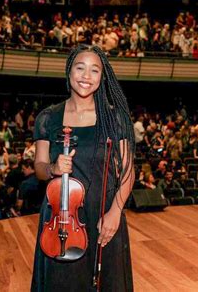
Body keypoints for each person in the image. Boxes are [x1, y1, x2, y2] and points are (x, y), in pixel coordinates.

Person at [31, 44, 135, 291]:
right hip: (62, 217)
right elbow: (39, 166)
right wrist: (53, 168)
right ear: (69, 72)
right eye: (80, 68)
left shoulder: (114, 117)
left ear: (102, 76)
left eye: (94, 70)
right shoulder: (48, 118)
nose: (86, 76)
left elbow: (128, 171)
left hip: (104, 213)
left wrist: (115, 212)